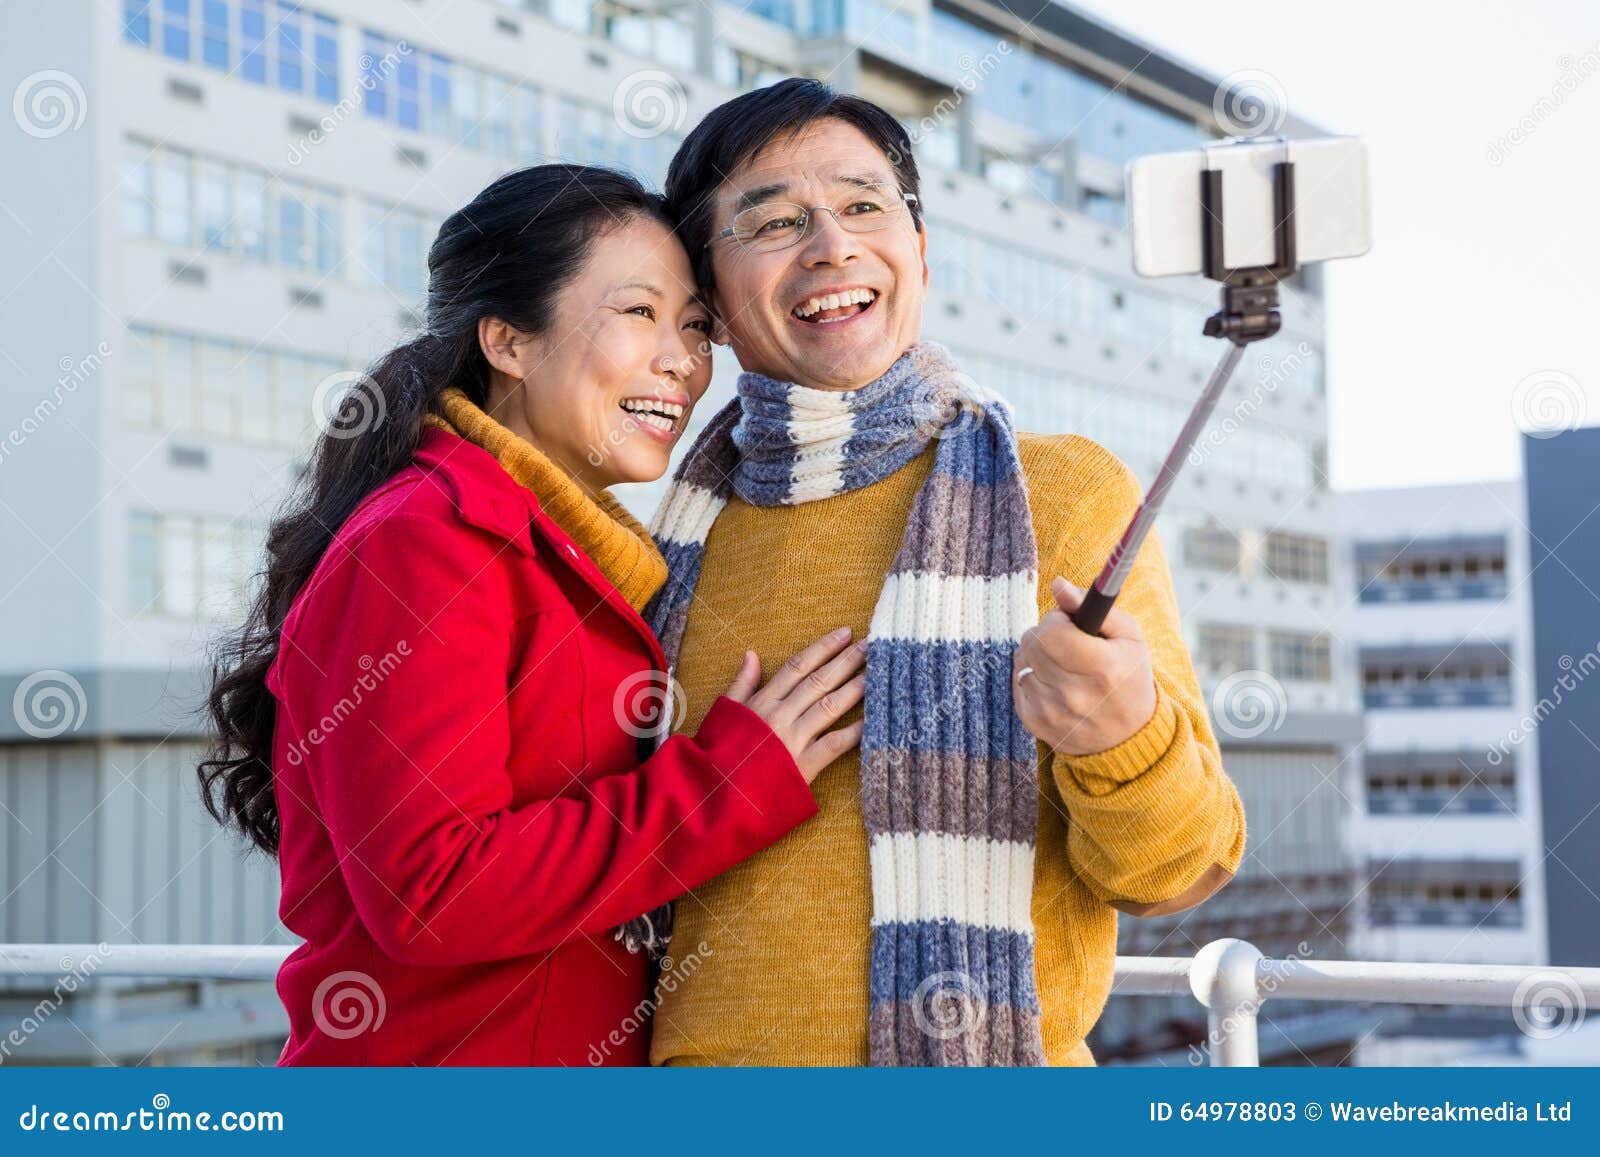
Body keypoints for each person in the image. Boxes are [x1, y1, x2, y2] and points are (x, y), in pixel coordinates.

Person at [638, 79, 1247, 1066]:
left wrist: (1122, 735)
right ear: (704, 296)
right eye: (774, 221)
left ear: (918, 251)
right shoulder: (660, 553)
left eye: (863, 204)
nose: (830, 243)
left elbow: (1177, 869)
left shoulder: (1063, 492)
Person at [200, 163, 866, 1065]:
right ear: (509, 342)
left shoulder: (558, 549)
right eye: (638, 312)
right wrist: (728, 786)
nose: (682, 359)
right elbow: (432, 890)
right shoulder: (426, 540)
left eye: (696, 324)